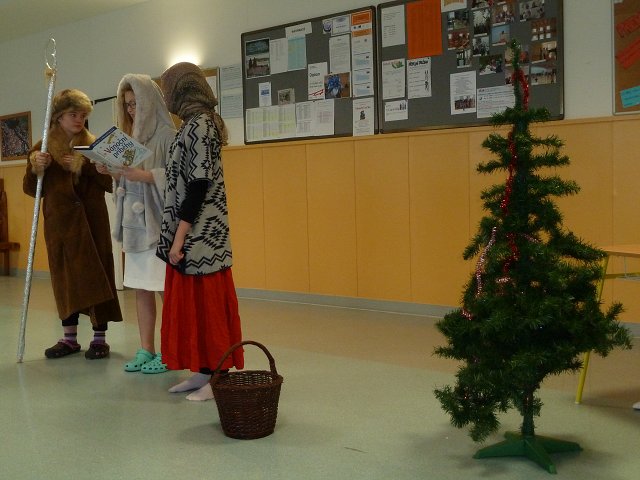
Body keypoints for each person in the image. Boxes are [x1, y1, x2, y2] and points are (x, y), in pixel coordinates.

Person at [157, 62, 244, 401]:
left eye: (167, 90)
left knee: (209, 309)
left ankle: (218, 375)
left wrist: (179, 238)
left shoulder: (201, 126)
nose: (166, 98)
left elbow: (198, 185)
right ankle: (203, 371)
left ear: (182, 90)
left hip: (201, 237)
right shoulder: (192, 124)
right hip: (195, 234)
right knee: (195, 308)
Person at [24, 88, 123, 359]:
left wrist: (87, 166)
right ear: (58, 117)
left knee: (99, 275)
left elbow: (110, 184)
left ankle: (99, 339)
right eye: (73, 114)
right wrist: (36, 168)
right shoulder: (42, 148)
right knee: (64, 278)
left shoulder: (96, 146)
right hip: (61, 225)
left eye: (82, 115)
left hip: (92, 223)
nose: (79, 120)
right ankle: (69, 339)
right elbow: (31, 189)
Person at [98, 74, 176, 373]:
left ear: (149, 102)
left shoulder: (168, 136)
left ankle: (171, 351)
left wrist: (144, 176)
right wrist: (112, 171)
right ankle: (146, 348)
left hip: (158, 227)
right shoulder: (128, 139)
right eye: (127, 105)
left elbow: (177, 180)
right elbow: (126, 181)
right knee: (142, 289)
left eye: (135, 103)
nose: (131, 110)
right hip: (134, 227)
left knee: (165, 290)